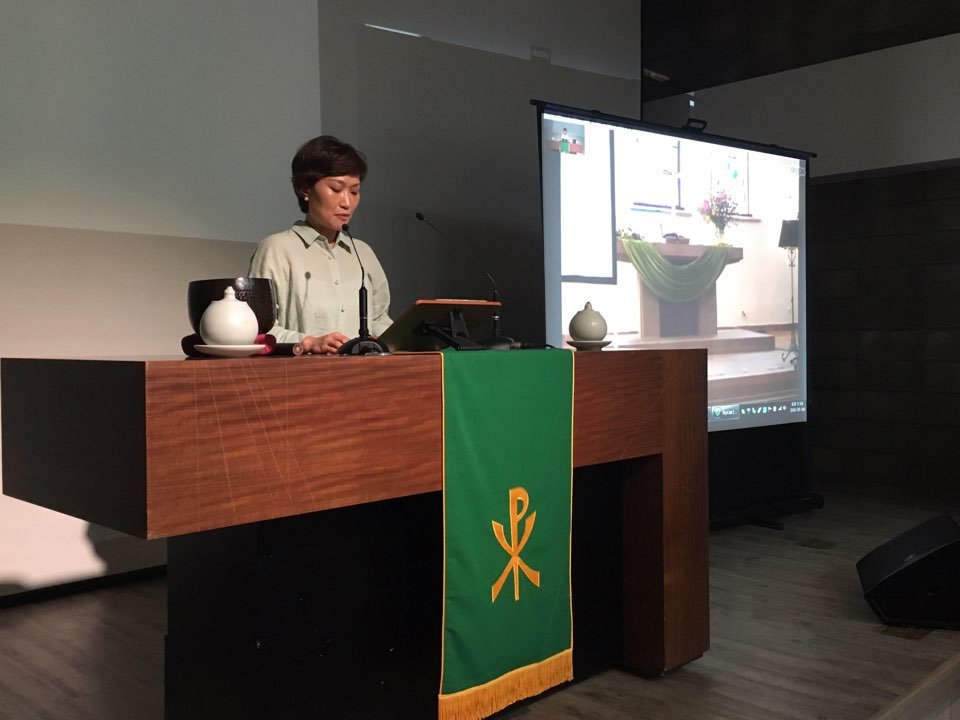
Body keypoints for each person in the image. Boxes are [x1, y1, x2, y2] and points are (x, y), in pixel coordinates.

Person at [249, 135, 391, 354]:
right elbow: (258, 331)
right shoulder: (276, 248)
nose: (347, 202)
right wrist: (308, 343)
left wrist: (396, 338)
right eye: (336, 189)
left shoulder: (363, 253)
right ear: (304, 189)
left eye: (354, 191)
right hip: (305, 372)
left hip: (365, 372)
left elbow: (379, 319)